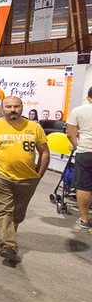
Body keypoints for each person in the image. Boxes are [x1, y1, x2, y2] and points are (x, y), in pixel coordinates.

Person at [0, 96, 49, 263]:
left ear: (22, 107)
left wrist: (39, 174)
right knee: (4, 210)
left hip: (28, 178)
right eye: (8, 106)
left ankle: (7, 235)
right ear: (3, 108)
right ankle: (9, 245)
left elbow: (44, 151)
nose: (13, 110)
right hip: (1, 176)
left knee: (18, 213)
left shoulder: (34, 127)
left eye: (16, 106)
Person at [66, 87, 92, 229]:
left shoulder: (79, 110)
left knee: (84, 186)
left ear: (89, 98)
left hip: (86, 151)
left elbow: (70, 133)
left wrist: (76, 146)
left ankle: (84, 219)